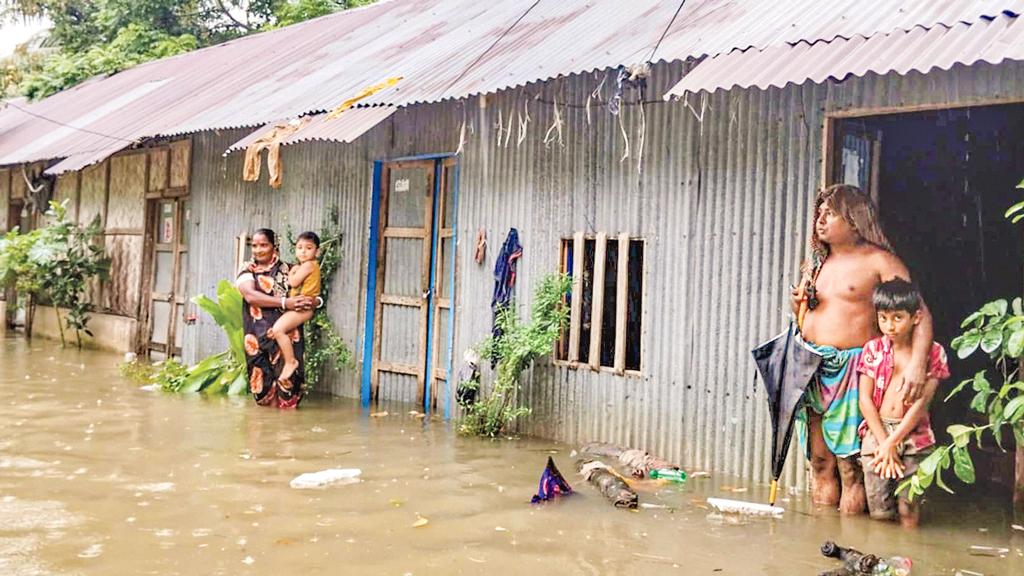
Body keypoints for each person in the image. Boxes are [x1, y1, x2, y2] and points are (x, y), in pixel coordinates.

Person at [791, 184, 934, 514]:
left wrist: (916, 364)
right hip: (811, 367)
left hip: (854, 373)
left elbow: (920, 314)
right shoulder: (816, 262)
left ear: (854, 221)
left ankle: (853, 540)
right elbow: (806, 312)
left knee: (850, 468)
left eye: (831, 213)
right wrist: (797, 302)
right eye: (820, 213)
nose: (820, 219)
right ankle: (820, 541)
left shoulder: (880, 261)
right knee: (820, 462)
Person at [858, 279, 949, 527]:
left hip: (914, 437)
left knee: (909, 507)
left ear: (916, 317)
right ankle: (881, 562)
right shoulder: (872, 349)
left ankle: (909, 558)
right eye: (883, 318)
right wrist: (884, 443)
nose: (889, 326)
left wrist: (893, 442)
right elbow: (865, 400)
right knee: (879, 511)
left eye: (898, 318)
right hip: (876, 435)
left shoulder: (933, 354)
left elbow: (921, 405)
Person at [235, 228, 317, 408]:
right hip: (257, 341)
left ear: (274, 246)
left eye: (264, 245)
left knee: (288, 389)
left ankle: (286, 433)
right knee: (263, 391)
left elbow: (310, 292)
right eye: (254, 246)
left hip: (287, 339)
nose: (258, 250)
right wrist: (285, 303)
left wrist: (315, 301)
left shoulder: (290, 270)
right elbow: (251, 296)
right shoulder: (247, 271)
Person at [267, 231, 321, 383]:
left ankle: (291, 362)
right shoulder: (309, 265)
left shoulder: (308, 265)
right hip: (299, 308)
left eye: (308, 248)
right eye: (299, 247)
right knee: (275, 331)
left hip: (303, 308)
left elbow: (293, 282)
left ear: (317, 251)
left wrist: (292, 272)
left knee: (278, 330)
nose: (303, 251)